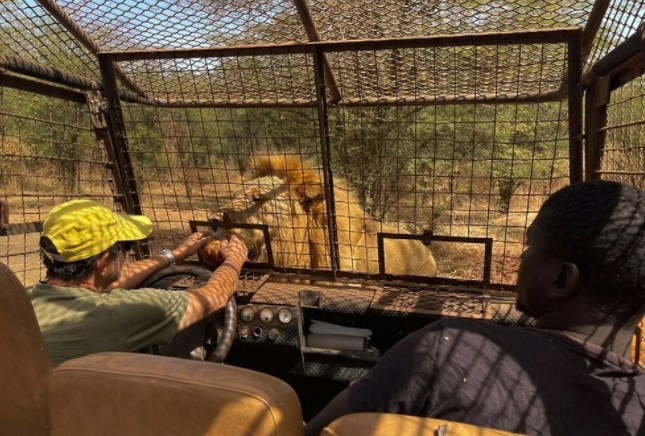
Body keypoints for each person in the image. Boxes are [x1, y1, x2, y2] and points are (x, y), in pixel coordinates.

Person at [305, 181, 645, 436]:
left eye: (530, 247)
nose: (521, 259)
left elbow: (322, 430)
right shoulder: (637, 409)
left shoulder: (448, 348)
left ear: (561, 279)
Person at [29, 199, 248, 366]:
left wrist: (174, 255)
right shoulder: (125, 311)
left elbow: (111, 281)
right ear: (104, 261)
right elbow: (213, 297)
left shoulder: (25, 300)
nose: (126, 254)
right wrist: (234, 260)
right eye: (125, 247)